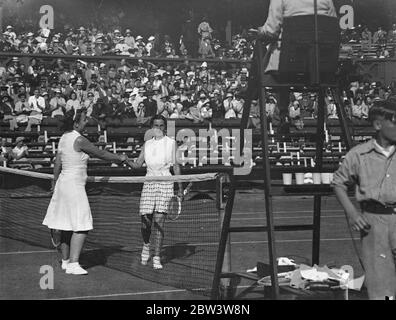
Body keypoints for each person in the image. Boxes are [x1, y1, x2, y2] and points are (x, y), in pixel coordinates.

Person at [42, 109, 128, 275]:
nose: (86, 122)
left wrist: (54, 183)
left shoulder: (64, 137)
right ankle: (74, 264)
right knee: (82, 224)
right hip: (73, 186)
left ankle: (66, 262)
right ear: (75, 123)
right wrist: (120, 158)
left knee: (66, 224)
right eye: (83, 120)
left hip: (63, 184)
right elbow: (101, 153)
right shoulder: (79, 139)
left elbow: (58, 163)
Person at [332, 96, 396, 300]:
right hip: (374, 224)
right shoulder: (358, 155)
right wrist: (352, 213)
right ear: (378, 124)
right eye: (394, 120)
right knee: (380, 287)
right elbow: (338, 183)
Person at [257, 0, 337, 121]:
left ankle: (282, 113)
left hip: (288, 68)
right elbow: (332, 27)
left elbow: (271, 31)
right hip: (319, 68)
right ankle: (322, 120)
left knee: (273, 69)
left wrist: (260, 31)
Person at [126, 115, 183, 269]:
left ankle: (157, 256)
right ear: (152, 127)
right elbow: (138, 164)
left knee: (159, 222)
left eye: (161, 125)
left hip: (165, 182)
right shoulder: (147, 144)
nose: (158, 128)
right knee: (145, 221)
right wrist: (125, 160)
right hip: (149, 182)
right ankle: (146, 245)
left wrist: (180, 187)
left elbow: (176, 166)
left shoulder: (172, 143)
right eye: (155, 125)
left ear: (165, 127)